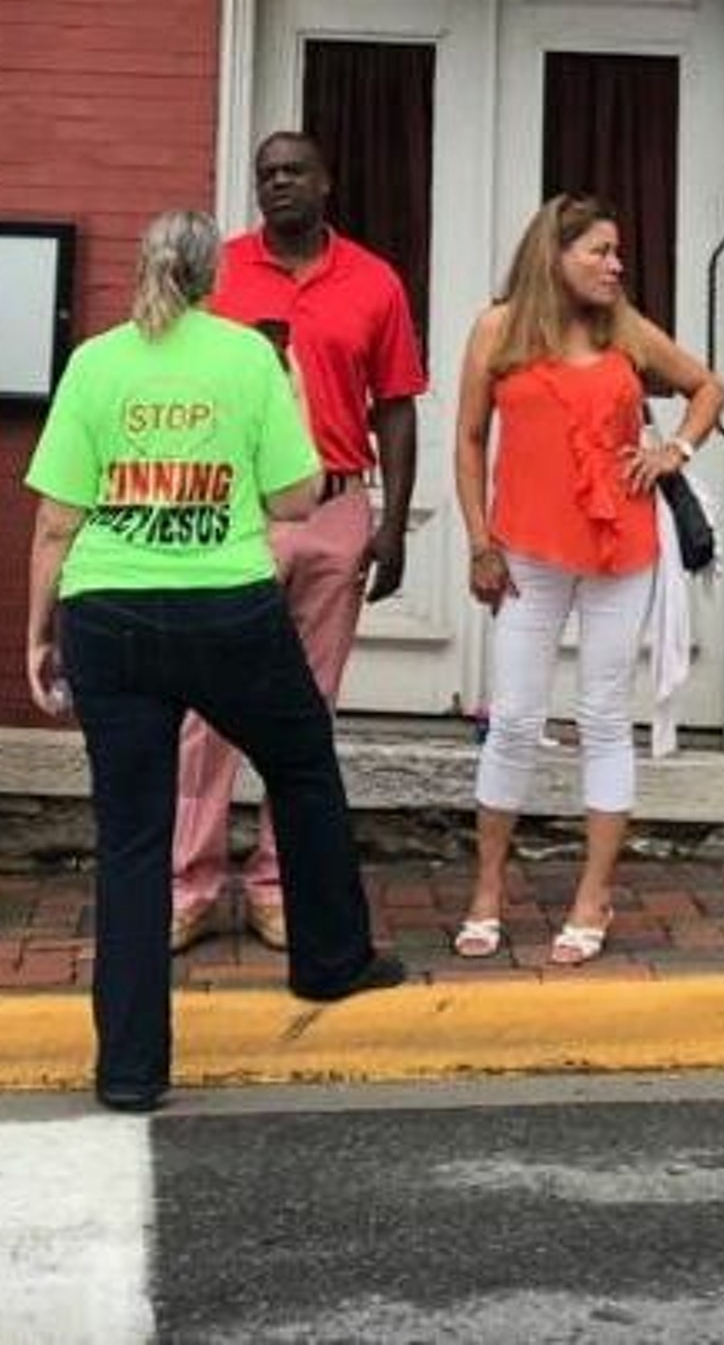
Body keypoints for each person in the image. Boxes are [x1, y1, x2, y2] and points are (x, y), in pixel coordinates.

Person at [25, 209, 406, 1113]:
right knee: (302, 766)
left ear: (144, 269)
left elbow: (56, 521)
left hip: (108, 612)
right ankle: (330, 957)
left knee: (132, 838)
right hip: (227, 610)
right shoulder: (247, 358)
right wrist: (294, 401)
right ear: (214, 280)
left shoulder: (96, 363)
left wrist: (38, 634)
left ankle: (129, 1068)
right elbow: (297, 497)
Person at [455, 192, 724, 967]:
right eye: (600, 251)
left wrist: (675, 450)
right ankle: (486, 892)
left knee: (604, 718)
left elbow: (709, 388)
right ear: (556, 254)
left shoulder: (625, 329)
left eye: (616, 252)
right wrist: (479, 540)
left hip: (620, 549)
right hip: (527, 550)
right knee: (514, 718)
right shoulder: (499, 328)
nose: (615, 265)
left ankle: (592, 897)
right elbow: (470, 439)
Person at [171, 130, 425, 953]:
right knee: (209, 702)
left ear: (326, 183)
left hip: (336, 509)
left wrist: (393, 522)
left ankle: (276, 883)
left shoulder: (374, 281)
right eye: (267, 174)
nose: (279, 183)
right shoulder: (219, 274)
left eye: (294, 172)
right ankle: (190, 883)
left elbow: (396, 404)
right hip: (233, 510)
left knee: (306, 711)